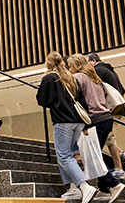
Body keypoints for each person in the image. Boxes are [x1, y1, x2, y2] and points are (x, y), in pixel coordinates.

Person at [36, 51, 99, 203]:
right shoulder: (71, 78)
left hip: (62, 122)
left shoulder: (49, 78)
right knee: (64, 154)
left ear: (48, 63)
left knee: (64, 156)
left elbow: (41, 100)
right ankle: (71, 188)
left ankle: (84, 186)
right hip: (77, 122)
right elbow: (83, 101)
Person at [67, 53, 125, 202]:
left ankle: (114, 184)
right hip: (106, 118)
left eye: (70, 66)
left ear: (75, 65)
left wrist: (85, 124)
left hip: (95, 120)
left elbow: (78, 101)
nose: (69, 69)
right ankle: (105, 189)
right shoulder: (94, 77)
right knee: (95, 153)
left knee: (92, 156)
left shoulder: (79, 77)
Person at [88, 52, 125, 176]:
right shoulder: (110, 71)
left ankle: (119, 169)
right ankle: (121, 153)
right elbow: (123, 90)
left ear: (94, 61)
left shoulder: (98, 71)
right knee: (108, 135)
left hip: (110, 110)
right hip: (118, 108)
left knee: (110, 138)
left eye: (88, 63)